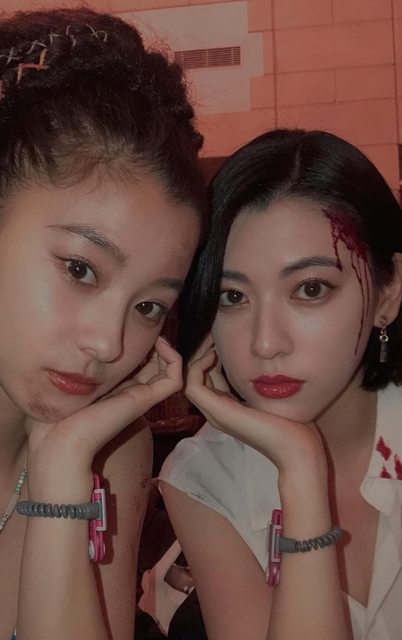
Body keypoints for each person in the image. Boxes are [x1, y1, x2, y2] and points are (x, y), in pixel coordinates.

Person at [0, 8, 207, 639]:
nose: (109, 343)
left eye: (148, 306)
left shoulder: (108, 453)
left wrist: (61, 475)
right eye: (81, 269)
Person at [160, 129, 402, 639]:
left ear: (388, 292)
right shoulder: (205, 476)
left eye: (310, 289)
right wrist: (301, 467)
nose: (266, 343)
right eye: (232, 296)